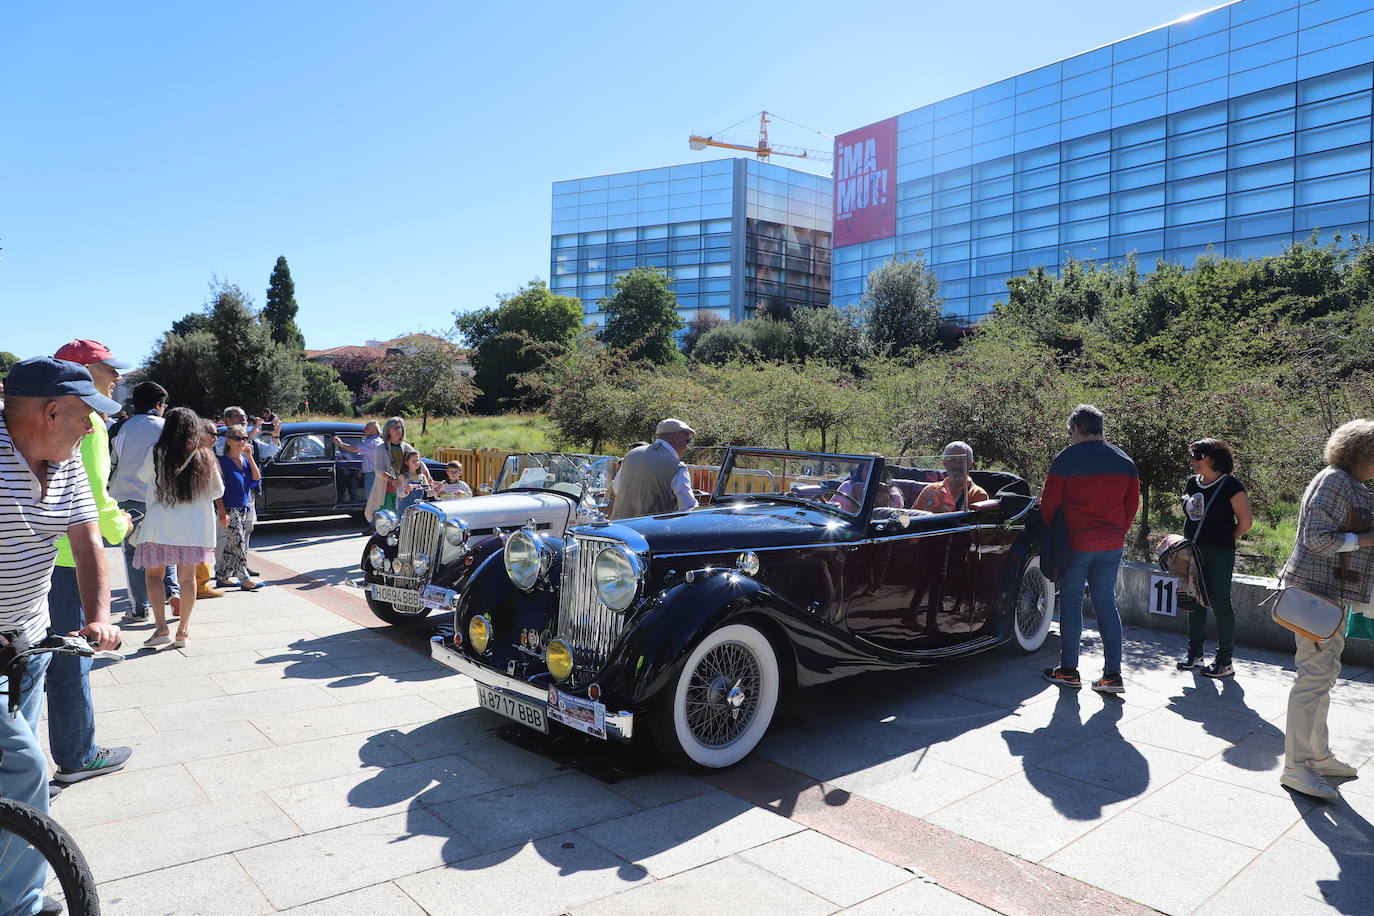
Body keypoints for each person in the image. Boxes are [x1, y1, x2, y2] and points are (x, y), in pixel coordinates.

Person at [0, 357, 121, 916]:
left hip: (26, 640)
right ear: (52, 411)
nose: (94, 426)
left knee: (10, 786)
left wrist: (99, 614)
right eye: (86, 414)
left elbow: (87, 536)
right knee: (23, 767)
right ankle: (17, 906)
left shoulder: (64, 461)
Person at [46, 341, 135, 786]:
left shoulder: (43, 417)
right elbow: (94, 497)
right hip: (70, 559)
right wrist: (121, 528)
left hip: (37, 554)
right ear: (82, 371)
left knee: (31, 661)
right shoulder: (91, 423)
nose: (117, 377)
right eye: (109, 369)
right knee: (72, 657)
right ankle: (79, 754)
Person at [1277, 419, 1374, 800]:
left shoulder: (1347, 482)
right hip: (1317, 596)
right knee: (1314, 678)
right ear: (1363, 452)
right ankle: (1297, 767)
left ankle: (1317, 755)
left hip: (1327, 597)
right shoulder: (1335, 481)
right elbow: (1316, 540)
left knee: (1323, 676)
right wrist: (1366, 539)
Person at [1040, 404, 1140, 694]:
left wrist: (1054, 533)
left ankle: (1069, 670)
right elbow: (1131, 507)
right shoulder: (1124, 460)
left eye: (1071, 431)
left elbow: (1049, 504)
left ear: (1077, 429)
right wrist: (1117, 533)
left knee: (1071, 604)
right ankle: (1112, 675)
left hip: (1076, 544)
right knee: (1107, 604)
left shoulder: (1067, 458)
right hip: (1111, 545)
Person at [134, 407, 224, 650]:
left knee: (154, 576)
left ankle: (161, 628)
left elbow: (143, 477)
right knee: (187, 579)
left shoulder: (157, 452)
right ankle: (183, 631)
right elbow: (218, 491)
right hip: (193, 528)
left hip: (159, 525)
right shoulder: (205, 455)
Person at [1176, 439, 1253, 678]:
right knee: (1194, 599)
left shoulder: (1231, 485)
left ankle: (1224, 660)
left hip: (1219, 552)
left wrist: (1227, 538)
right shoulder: (1192, 483)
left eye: (1197, 457)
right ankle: (1195, 653)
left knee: (1220, 602)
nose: (1193, 462)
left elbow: (1246, 522)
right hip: (1193, 550)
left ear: (1211, 459)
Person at [108, 380, 181, 622]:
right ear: (159, 405)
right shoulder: (167, 427)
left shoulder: (120, 428)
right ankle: (172, 592)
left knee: (133, 554)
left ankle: (140, 608)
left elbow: (111, 463)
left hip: (128, 500)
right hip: (164, 499)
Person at [610, 418, 698, 519]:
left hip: (620, 527)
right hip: (651, 531)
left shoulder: (632, 454)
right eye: (687, 440)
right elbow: (688, 508)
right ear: (676, 437)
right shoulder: (677, 467)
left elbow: (617, 488)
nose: (687, 446)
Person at [215, 424, 263, 590]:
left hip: (243, 507)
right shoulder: (222, 462)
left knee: (232, 545)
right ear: (228, 440)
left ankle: (222, 575)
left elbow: (256, 478)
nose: (241, 441)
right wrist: (222, 512)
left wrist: (249, 457)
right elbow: (217, 489)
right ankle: (244, 578)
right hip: (229, 508)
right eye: (237, 438)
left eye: (244, 438)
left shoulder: (244, 460)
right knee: (239, 544)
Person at [912, 442, 989, 513]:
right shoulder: (930, 490)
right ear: (944, 463)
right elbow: (911, 518)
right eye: (951, 460)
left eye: (962, 460)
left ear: (970, 464)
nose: (956, 465)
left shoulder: (977, 494)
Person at [365, 417, 410, 521]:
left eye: (400, 427)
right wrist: (392, 479)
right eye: (395, 428)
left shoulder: (406, 448)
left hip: (404, 491)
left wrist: (428, 477)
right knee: (386, 521)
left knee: (403, 521)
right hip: (387, 491)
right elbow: (378, 470)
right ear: (388, 430)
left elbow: (418, 463)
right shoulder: (381, 448)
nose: (398, 430)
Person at [830, 455, 903, 513]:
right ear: (861, 471)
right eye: (868, 469)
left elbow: (894, 516)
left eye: (877, 470)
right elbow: (833, 510)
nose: (871, 473)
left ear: (883, 473)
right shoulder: (847, 486)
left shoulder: (892, 493)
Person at [395, 447, 434, 514]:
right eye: (413, 461)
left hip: (418, 510)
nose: (416, 463)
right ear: (407, 463)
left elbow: (428, 493)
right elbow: (399, 494)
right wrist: (406, 490)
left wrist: (436, 490)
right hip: (404, 510)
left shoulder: (422, 477)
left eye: (417, 460)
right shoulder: (402, 477)